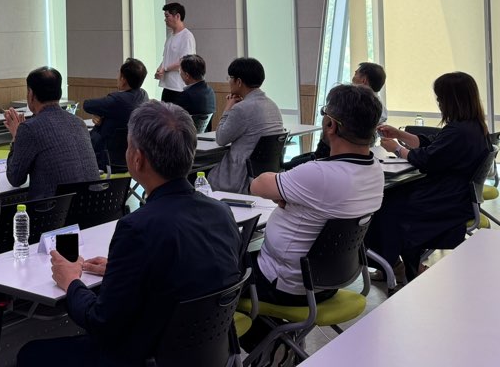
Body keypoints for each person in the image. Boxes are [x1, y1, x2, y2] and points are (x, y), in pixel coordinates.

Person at [15, 101, 241, 367]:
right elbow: (186, 276)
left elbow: (101, 322)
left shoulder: (137, 228)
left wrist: (71, 281)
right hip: (205, 354)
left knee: (29, 353)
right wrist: (122, 271)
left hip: (138, 357)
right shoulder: (222, 213)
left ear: (137, 158)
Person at [248, 84, 384, 307]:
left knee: (213, 272)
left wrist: (284, 192)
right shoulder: (375, 170)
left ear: (331, 125)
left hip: (282, 284)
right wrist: (290, 194)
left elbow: (257, 185)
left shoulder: (318, 174)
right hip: (327, 282)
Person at [366, 71, 491, 280]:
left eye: (441, 99)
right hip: (455, 196)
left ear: (453, 100)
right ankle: (395, 264)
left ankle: (397, 266)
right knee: (390, 200)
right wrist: (400, 135)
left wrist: (397, 148)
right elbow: (433, 146)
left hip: (447, 203)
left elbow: (425, 159)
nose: (439, 103)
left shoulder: (459, 132)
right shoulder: (472, 127)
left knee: (385, 208)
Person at [5, 67, 99, 199]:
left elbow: (15, 178)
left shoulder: (29, 128)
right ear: (59, 92)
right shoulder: (79, 123)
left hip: (54, 209)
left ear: (31, 94)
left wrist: (16, 136)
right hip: (93, 205)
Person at [209, 57, 284, 193]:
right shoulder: (272, 105)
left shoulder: (242, 108)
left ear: (238, 82)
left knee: (200, 175)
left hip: (240, 177)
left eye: (230, 78)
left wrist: (228, 108)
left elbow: (221, 138)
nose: (229, 81)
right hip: (265, 173)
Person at [83, 58, 149, 171]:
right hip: (132, 157)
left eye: (119, 74)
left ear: (123, 80)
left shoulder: (116, 100)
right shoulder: (143, 95)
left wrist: (100, 114)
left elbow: (87, 105)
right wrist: (102, 115)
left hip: (106, 157)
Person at [154, 2, 196, 105]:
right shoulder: (170, 35)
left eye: (167, 16)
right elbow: (166, 57)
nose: (165, 20)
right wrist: (160, 69)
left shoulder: (187, 36)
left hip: (179, 88)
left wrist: (165, 68)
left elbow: (184, 62)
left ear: (177, 16)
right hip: (167, 86)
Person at [171, 54, 217, 127]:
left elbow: (171, 119)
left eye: (180, 70)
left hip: (187, 133)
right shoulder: (210, 91)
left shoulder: (186, 95)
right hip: (205, 133)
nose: (179, 72)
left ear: (187, 75)